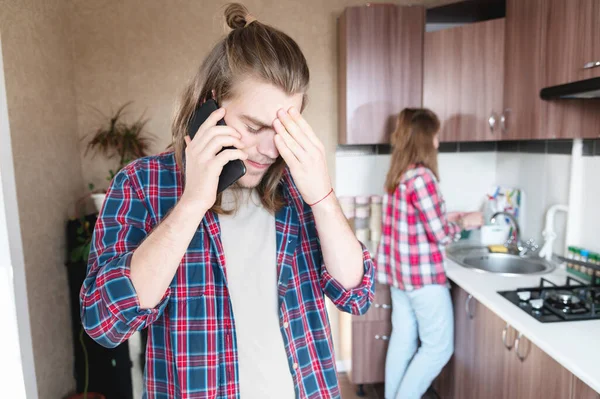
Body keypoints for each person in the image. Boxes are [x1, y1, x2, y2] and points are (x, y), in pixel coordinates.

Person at [80, 4, 374, 398]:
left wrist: (322, 197)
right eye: (255, 126)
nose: (270, 149)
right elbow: (104, 322)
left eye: (285, 128)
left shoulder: (299, 187)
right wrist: (192, 204)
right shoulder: (142, 184)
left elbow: (357, 295)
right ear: (211, 105)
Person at [376, 108, 483, 399]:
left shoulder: (399, 175)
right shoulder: (423, 177)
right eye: (435, 135)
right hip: (422, 279)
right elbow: (439, 235)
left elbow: (415, 220)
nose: (438, 142)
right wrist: (464, 223)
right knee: (438, 348)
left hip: (401, 276)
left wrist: (448, 215)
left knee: (403, 340)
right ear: (425, 138)